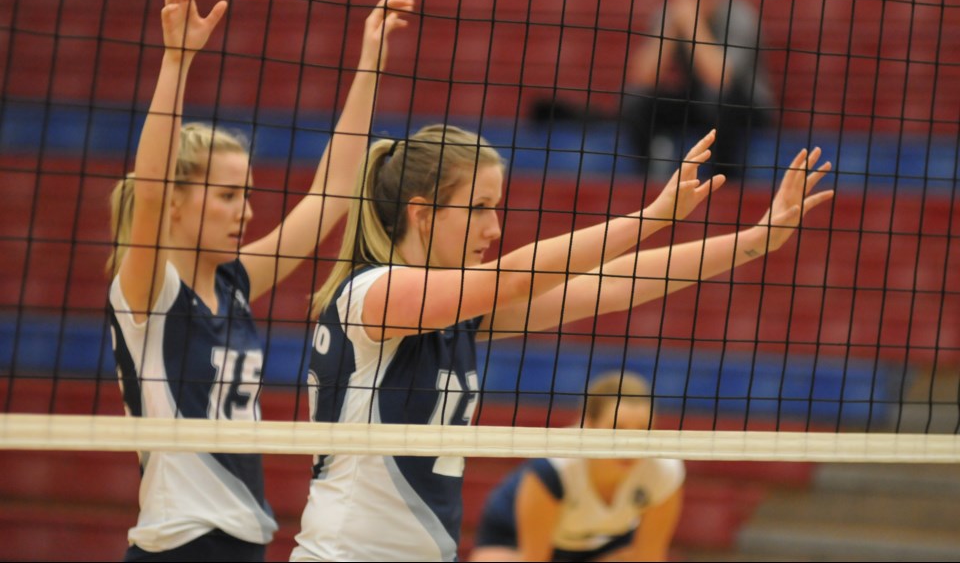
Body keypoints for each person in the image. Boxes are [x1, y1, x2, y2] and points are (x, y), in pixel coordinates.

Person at [291, 119, 832, 561]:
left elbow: (616, 284)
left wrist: (756, 241)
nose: (494, 227)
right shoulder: (373, 293)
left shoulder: (456, 313)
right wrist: (651, 216)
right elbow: (517, 275)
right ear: (423, 214)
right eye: (479, 207)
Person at [105, 0, 413, 561]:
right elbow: (149, 185)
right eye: (227, 196)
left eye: (247, 195)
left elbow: (329, 196)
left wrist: (371, 63)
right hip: (181, 543)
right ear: (174, 202)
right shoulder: (149, 292)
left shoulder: (235, 282)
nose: (245, 212)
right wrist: (176, 62)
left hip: (247, 540)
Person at [470, 372, 684, 562]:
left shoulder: (663, 470)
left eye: (643, 429)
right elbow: (534, 558)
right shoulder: (554, 469)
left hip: (602, 545)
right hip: (515, 540)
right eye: (617, 428)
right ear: (588, 425)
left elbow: (649, 556)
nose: (631, 444)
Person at [623, 0, 775, 178]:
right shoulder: (671, 15)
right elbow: (642, 78)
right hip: (699, 99)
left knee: (719, 101)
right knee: (637, 101)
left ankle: (724, 180)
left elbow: (720, 78)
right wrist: (672, 28)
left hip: (744, 104)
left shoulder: (740, 16)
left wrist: (693, 25)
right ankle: (646, 178)